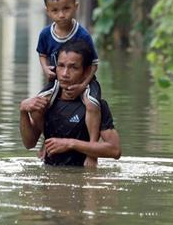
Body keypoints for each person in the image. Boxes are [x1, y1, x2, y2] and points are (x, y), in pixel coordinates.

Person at [20, 39, 121, 167]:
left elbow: (115, 150)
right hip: (49, 179)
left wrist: (70, 144)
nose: (65, 74)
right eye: (61, 66)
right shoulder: (47, 103)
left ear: (86, 71)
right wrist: (23, 111)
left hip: (82, 180)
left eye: (73, 67)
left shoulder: (96, 106)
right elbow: (29, 144)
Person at [35, 0, 103, 166]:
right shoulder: (45, 34)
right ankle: (46, 142)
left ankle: (92, 150)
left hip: (85, 80)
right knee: (38, 106)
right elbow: (41, 54)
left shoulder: (82, 34)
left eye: (66, 8)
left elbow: (94, 64)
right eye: (55, 10)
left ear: (75, 7)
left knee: (92, 104)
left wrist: (82, 85)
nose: (61, 15)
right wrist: (45, 68)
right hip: (58, 81)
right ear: (47, 11)